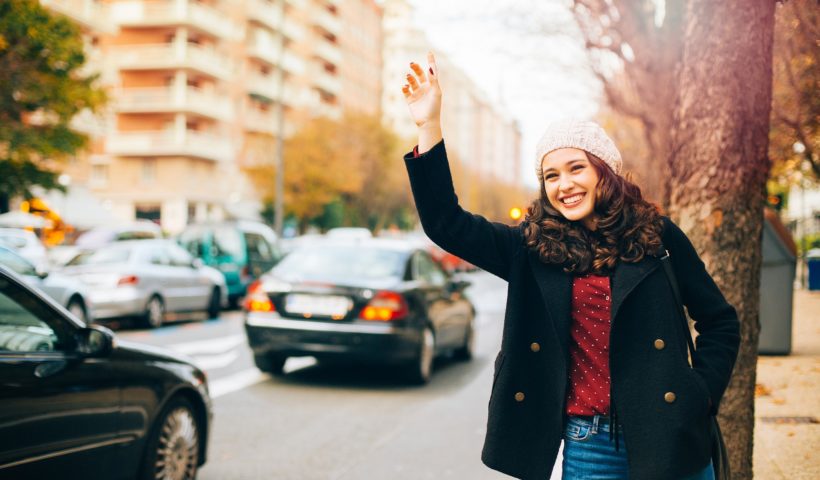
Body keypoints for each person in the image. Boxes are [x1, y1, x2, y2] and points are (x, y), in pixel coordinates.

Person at [400, 52, 740, 480]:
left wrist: (701, 394)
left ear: (604, 172)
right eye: (551, 176)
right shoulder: (532, 247)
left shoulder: (657, 236)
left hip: (670, 434)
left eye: (576, 168)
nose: (564, 185)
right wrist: (428, 125)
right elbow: (446, 223)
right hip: (589, 443)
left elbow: (720, 322)